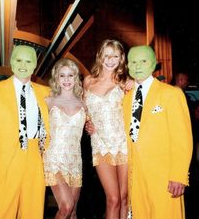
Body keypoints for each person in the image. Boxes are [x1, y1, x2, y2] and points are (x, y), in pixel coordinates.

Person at [0, 45, 50, 219]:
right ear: (11, 62)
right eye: (18, 60)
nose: (23, 65)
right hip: (2, 163)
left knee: (32, 214)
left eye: (28, 61)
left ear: (34, 65)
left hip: (36, 161)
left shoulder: (46, 93)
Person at [123, 45, 193, 219]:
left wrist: (179, 175)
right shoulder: (126, 98)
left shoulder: (171, 94)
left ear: (154, 64)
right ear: (128, 67)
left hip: (165, 177)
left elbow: (182, 137)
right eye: (133, 62)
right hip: (135, 177)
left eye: (143, 61)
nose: (138, 66)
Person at [83, 39, 130, 219]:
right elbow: (84, 110)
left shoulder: (125, 82)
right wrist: (87, 123)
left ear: (121, 59)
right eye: (107, 55)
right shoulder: (88, 81)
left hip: (123, 144)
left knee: (124, 198)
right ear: (100, 56)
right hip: (100, 144)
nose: (111, 60)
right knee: (112, 198)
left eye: (115, 56)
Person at [43, 58, 86, 219]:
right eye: (62, 76)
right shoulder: (48, 101)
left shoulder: (84, 103)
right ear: (56, 78)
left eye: (70, 75)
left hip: (75, 161)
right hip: (54, 160)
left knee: (73, 212)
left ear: (76, 78)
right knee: (66, 207)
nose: (66, 80)